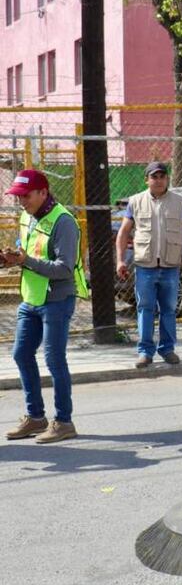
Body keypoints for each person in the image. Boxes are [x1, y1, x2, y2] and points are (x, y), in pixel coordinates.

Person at [3, 169, 89, 444]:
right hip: (31, 298)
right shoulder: (26, 216)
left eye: (25, 196)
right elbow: (27, 251)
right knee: (21, 354)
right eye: (18, 197)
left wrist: (25, 261)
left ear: (43, 192)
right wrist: (10, 259)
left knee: (54, 360)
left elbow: (64, 268)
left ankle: (64, 422)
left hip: (57, 300)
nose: (21, 202)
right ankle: (36, 417)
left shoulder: (63, 221)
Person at [115, 161, 182, 368]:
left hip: (170, 266)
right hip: (145, 266)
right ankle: (145, 352)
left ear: (167, 179)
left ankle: (167, 349)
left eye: (162, 176)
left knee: (169, 309)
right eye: (154, 176)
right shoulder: (136, 201)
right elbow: (123, 233)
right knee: (145, 308)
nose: (159, 180)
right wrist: (120, 260)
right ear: (147, 180)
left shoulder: (180, 202)